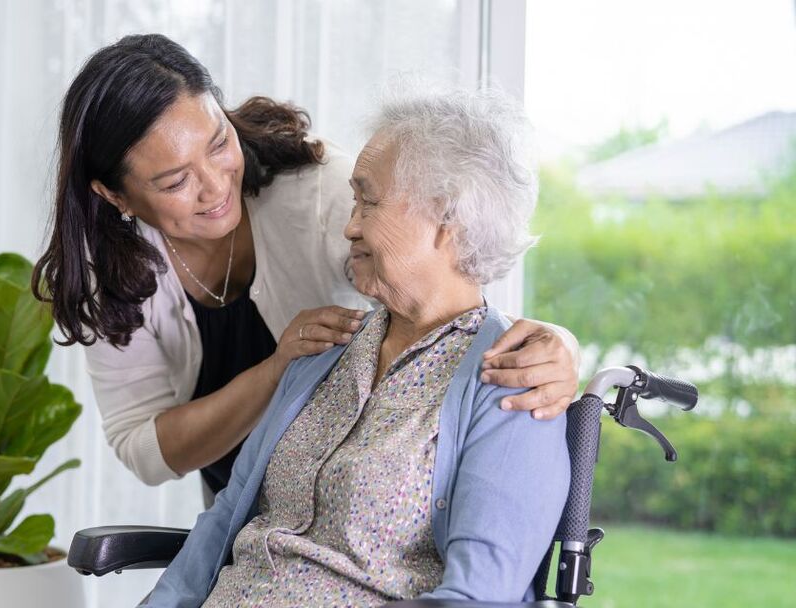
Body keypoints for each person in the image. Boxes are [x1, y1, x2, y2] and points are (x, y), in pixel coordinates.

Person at [32, 34, 579, 498]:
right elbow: (146, 450)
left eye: (219, 142)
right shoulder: (109, 271)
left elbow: (456, 288)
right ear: (115, 196)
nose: (216, 184)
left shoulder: (325, 195)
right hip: (248, 516)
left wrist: (555, 346)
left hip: (356, 499)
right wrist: (277, 371)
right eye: (175, 182)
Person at [140, 85, 569, 608]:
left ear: (446, 221)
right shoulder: (324, 349)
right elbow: (224, 518)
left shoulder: (511, 384)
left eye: (368, 201)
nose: (350, 225)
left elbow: (477, 596)